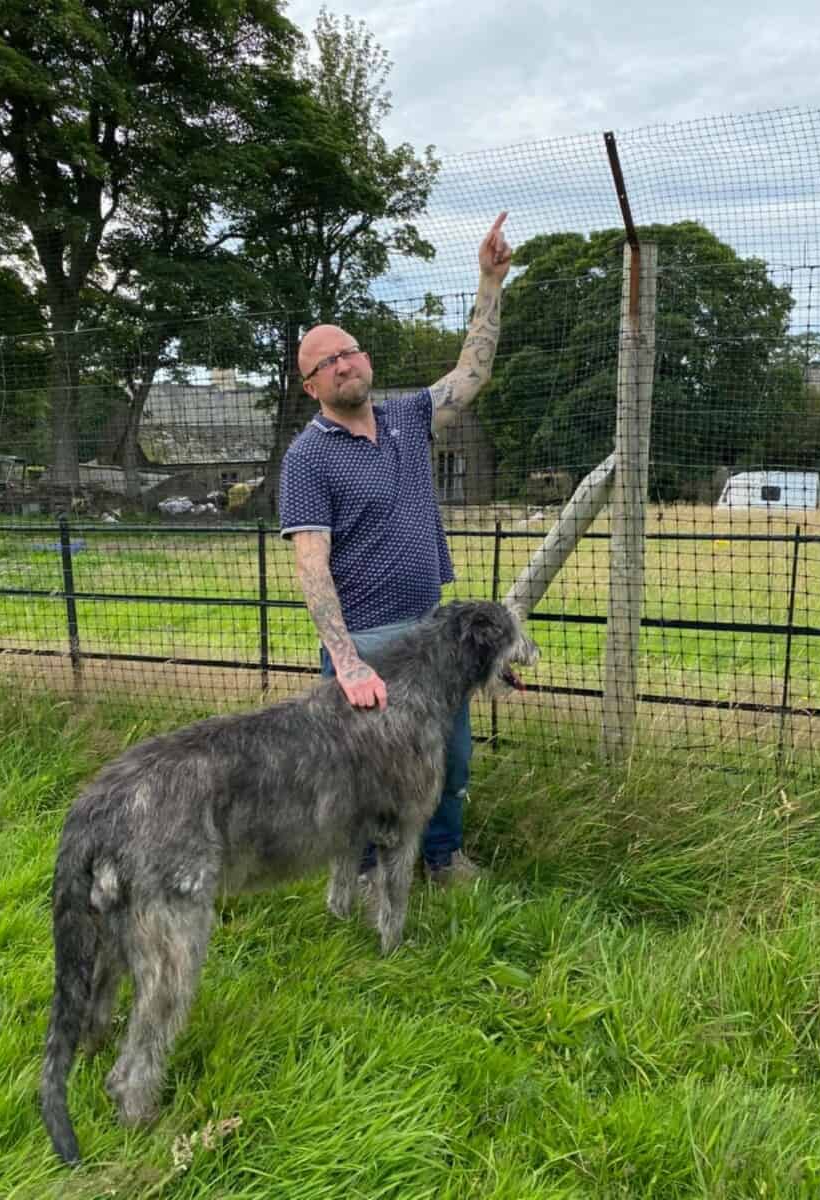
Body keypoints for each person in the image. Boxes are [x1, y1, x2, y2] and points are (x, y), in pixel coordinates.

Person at [279, 213, 512, 885]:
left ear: (364, 357)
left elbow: (472, 372)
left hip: (432, 629)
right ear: (312, 387)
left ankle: (441, 858)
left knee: (450, 756)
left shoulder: (410, 419)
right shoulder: (307, 460)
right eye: (325, 363)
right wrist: (348, 663)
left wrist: (489, 282)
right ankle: (363, 874)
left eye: (347, 350)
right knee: (366, 771)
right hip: (368, 642)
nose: (342, 363)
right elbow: (311, 564)